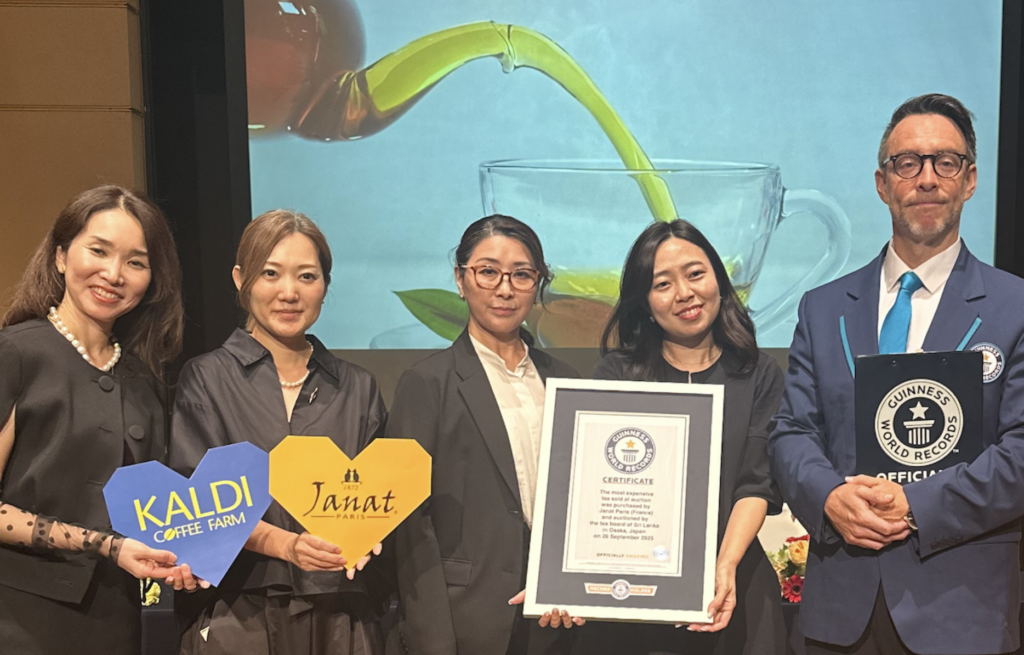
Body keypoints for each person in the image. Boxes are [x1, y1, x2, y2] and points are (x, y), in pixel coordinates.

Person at [769, 93, 1024, 655]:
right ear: (883, 184)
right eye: (907, 163)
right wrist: (830, 497)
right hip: (839, 610)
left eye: (945, 162)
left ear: (970, 180)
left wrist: (916, 504)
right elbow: (792, 432)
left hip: (962, 611)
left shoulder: (1015, 307)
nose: (926, 178)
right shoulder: (823, 308)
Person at [168, 210, 393, 655]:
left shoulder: (358, 386)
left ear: (325, 285)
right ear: (241, 279)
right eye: (270, 273)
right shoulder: (207, 378)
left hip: (341, 611)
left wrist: (370, 533)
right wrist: (287, 546)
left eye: (307, 276)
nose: (289, 292)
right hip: (237, 610)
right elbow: (197, 506)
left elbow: (379, 499)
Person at [569, 219, 786, 655]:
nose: (684, 293)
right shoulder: (617, 374)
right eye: (662, 284)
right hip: (633, 598)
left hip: (735, 587)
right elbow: (590, 491)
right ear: (646, 303)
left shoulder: (759, 373)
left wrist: (725, 566)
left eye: (695, 274)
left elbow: (756, 484)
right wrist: (561, 579)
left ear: (719, 282)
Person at [0, 185, 191, 654]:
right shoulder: (16, 353)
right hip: (20, 618)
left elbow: (152, 511)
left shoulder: (145, 379)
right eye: (99, 251)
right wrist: (105, 545)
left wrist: (187, 555)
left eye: (136, 262)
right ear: (61, 256)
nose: (113, 274)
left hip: (119, 620)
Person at [387, 215, 583, 655]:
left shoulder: (566, 380)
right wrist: (431, 637)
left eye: (522, 274)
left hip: (556, 618)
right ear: (460, 280)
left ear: (538, 283)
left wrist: (574, 583)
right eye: (488, 272)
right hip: (464, 620)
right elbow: (410, 522)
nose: (505, 289)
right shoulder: (427, 383)